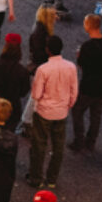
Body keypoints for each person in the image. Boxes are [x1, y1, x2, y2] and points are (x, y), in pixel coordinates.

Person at [28, 36, 77, 189]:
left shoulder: (43, 69)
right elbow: (74, 91)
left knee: (39, 145)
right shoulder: (71, 67)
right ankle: (52, 179)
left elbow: (36, 94)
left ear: (47, 50)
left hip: (44, 112)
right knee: (58, 146)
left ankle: (36, 177)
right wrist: (67, 105)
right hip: (61, 111)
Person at [70, 14, 102, 153]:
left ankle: (78, 141)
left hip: (88, 86)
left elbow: (81, 65)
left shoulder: (87, 47)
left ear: (89, 26)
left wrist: (79, 57)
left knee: (77, 111)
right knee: (96, 115)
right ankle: (90, 142)